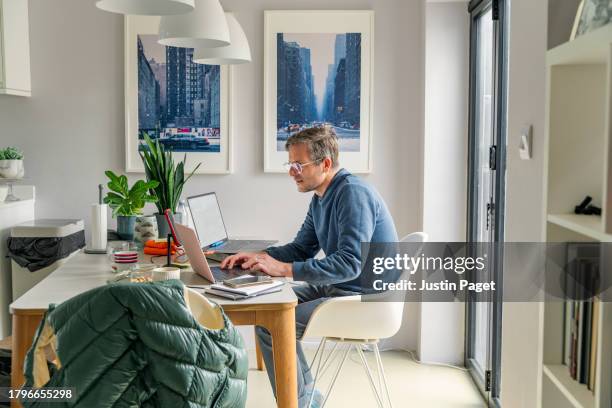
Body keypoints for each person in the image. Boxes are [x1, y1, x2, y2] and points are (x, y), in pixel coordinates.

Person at [221, 127, 398, 408]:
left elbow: (350, 263)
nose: (292, 172)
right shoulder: (321, 197)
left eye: (298, 165)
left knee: (272, 324)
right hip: (343, 287)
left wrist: (283, 269)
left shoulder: (352, 194)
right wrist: (258, 256)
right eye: (290, 164)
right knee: (269, 311)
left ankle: (299, 402)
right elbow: (301, 248)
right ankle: (305, 398)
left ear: (325, 164)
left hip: (363, 298)